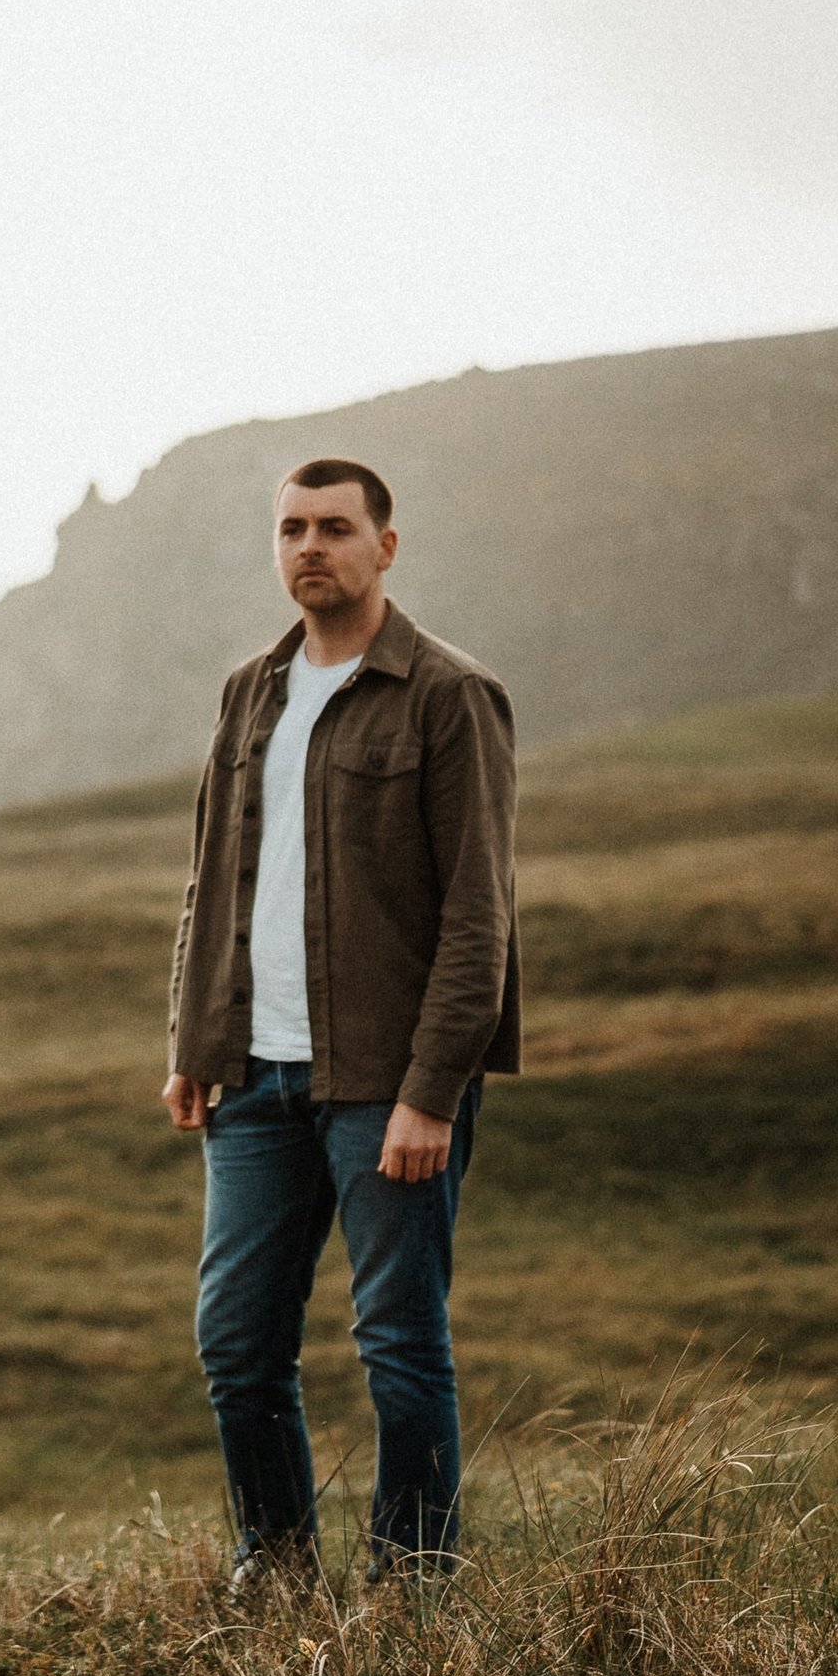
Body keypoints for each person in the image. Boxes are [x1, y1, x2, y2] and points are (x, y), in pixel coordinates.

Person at [163, 458, 518, 1594]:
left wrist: (430, 1092)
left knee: (400, 1345)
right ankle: (273, 1564)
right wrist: (193, 1044)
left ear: (384, 546)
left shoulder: (447, 694)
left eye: (334, 527)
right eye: (290, 529)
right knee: (236, 1344)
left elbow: (480, 913)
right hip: (252, 1080)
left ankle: (412, 1583)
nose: (310, 547)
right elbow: (209, 879)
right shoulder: (249, 693)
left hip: (383, 1084)